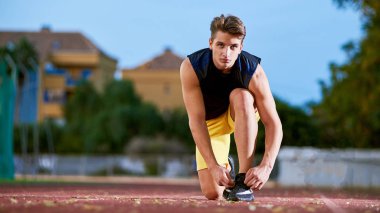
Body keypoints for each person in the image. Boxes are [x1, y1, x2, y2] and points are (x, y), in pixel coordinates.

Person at [180, 14, 283, 201]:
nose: (226, 53)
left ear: (241, 48)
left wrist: (266, 166)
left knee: (241, 95)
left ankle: (243, 181)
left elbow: (273, 123)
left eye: (233, 47)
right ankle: (227, 166)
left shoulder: (253, 71)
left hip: (241, 114)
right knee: (212, 193)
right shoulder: (192, 68)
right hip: (211, 125)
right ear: (211, 43)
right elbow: (196, 121)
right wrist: (213, 166)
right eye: (221, 45)